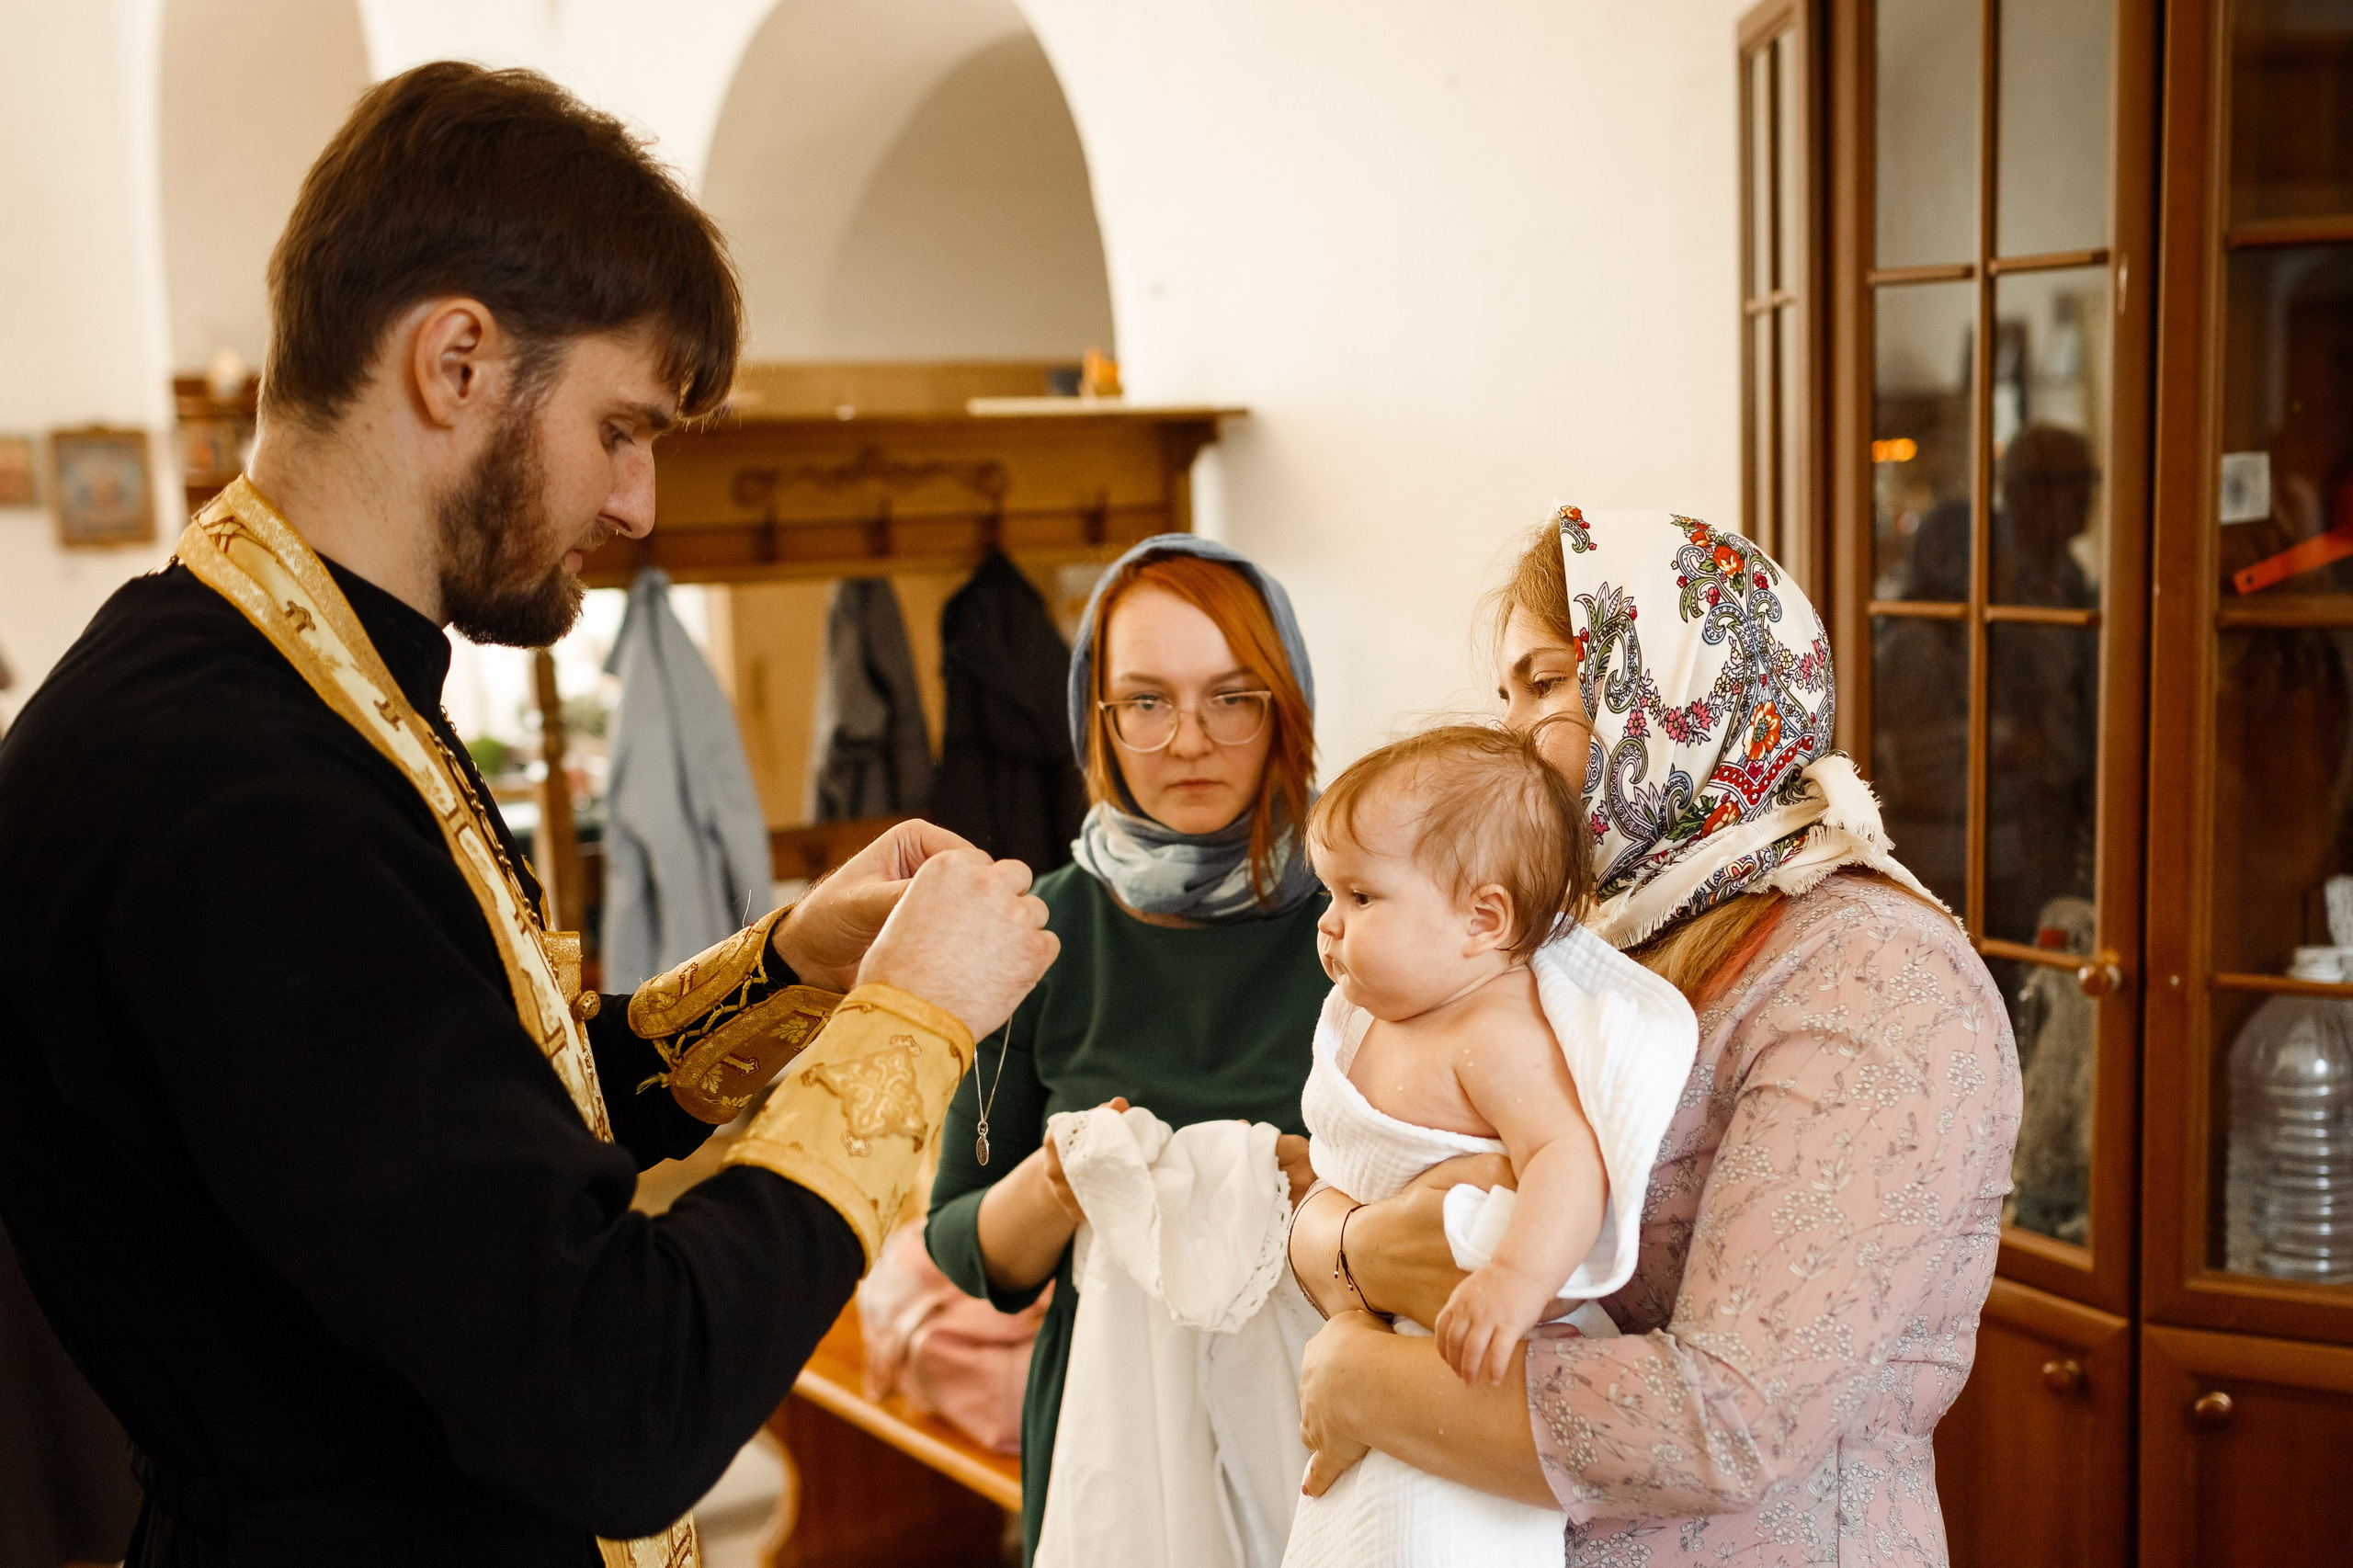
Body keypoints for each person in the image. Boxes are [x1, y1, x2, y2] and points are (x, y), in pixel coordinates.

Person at [0, 64, 1057, 1568]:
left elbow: (485, 1134)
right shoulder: (224, 778)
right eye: (621, 428)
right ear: (459, 361)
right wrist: (912, 1022)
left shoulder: (299, 672)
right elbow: (614, 1393)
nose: (636, 504)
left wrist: (796, 971)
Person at [1289, 507, 2020, 1565]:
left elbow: (1731, 1413)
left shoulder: (1870, 973)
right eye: (1508, 692)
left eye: (1547, 683)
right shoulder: (1577, 934)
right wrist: (1349, 1245)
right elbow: (1345, 1179)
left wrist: (1361, 1381)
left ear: (1674, 684)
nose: (1514, 734)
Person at [926, 535, 1330, 1563]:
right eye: (1145, 702)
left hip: (1330, 1422)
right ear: (1095, 720)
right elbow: (965, 1243)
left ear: (1285, 702)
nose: (1188, 738)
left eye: (1231, 695)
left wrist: (1323, 1183)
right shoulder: (1032, 933)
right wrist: (1060, 1184)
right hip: (1104, 1429)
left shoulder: (1368, 911)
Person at [1301, 725, 1606, 1387]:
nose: (1329, 922)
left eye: (1360, 897)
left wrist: (1515, 1278)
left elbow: (1569, 1158)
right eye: (1330, 894)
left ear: (1482, 920)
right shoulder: (1377, 1010)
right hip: (1365, 1306)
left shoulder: (1496, 1029)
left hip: (1482, 1334)